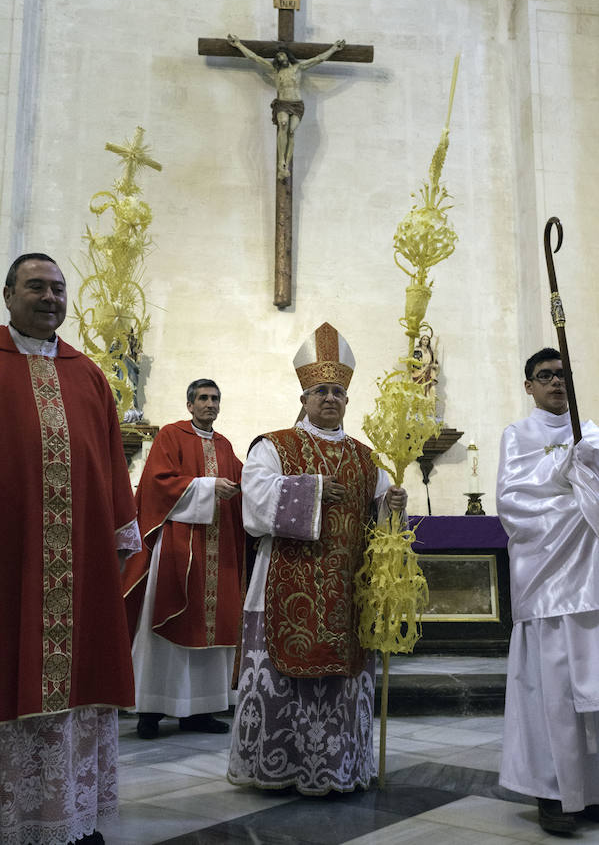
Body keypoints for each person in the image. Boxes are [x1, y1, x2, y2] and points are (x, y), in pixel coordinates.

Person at [227, 322, 407, 795]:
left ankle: (336, 767)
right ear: (304, 397)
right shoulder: (274, 445)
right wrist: (316, 489)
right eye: (320, 391)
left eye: (337, 393)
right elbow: (255, 501)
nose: (330, 399)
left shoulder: (369, 459)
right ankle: (277, 767)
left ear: (348, 400)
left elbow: (384, 526)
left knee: (340, 684)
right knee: (283, 682)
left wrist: (392, 510)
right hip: (283, 581)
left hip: (348, 589)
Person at [0, 253, 141, 845]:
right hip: (10, 561)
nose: (50, 298)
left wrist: (119, 537)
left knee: (81, 676)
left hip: (79, 567)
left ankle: (72, 815)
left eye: (58, 289)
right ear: (8, 295)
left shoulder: (88, 375)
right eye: (36, 287)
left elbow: (111, 463)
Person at [497, 347, 599, 834]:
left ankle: (593, 789)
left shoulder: (594, 433)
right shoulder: (517, 436)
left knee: (593, 691)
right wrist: (567, 474)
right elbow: (514, 505)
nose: (556, 382)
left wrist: (587, 474)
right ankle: (554, 793)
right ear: (529, 386)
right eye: (545, 376)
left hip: (592, 586)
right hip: (546, 581)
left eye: (562, 375)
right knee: (551, 692)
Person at [123, 379, 245, 739]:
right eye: (204, 399)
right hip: (179, 548)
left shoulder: (223, 445)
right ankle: (151, 709)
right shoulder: (171, 437)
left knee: (213, 633)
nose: (210, 404)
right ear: (190, 404)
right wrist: (207, 487)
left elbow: (243, 479)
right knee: (164, 630)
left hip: (218, 551)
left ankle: (200, 711)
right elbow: (157, 484)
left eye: (215, 399)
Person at [227, 34, 345, 180]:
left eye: (281, 54)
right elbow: (255, 58)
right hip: (283, 103)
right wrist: (238, 44)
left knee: (291, 131)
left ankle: (286, 164)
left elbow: (318, 59)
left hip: (297, 104)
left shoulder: (298, 68)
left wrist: (334, 48)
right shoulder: (276, 70)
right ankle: (280, 161)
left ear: (288, 56)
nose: (279, 57)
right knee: (283, 125)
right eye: (277, 56)